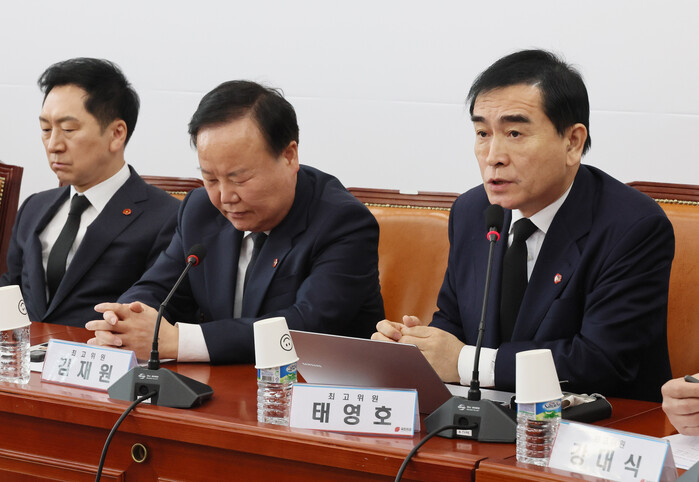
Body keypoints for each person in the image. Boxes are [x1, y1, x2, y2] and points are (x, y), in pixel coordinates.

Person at [373, 49, 673, 402]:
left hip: (601, 423)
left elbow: (601, 361)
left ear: (573, 142)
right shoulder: (473, 212)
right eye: (482, 133)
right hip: (491, 420)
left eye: (514, 133)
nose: (493, 156)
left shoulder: (632, 227)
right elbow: (455, 322)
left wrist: (466, 363)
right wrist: (414, 347)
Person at [85, 80, 384, 363]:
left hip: (313, 387)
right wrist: (125, 319)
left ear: (289, 156)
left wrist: (179, 341)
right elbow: (158, 288)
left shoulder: (343, 222)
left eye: (239, 178)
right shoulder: (200, 209)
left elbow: (307, 326)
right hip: (221, 386)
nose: (225, 197)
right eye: (210, 178)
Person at [0, 58, 179, 326]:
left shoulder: (166, 217)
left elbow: (159, 311)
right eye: (46, 129)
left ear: (116, 134)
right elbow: (9, 291)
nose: (53, 144)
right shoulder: (34, 207)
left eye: (68, 129)